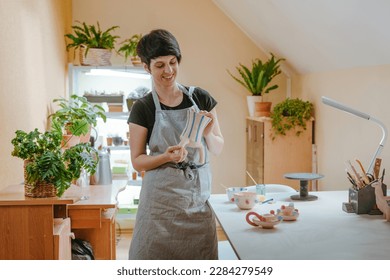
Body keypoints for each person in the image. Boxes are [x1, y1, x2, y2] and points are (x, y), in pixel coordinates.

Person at [127, 29, 224, 260]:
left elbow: (218, 148)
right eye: (159, 65)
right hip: (159, 208)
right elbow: (137, 161)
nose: (168, 71)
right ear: (146, 67)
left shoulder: (200, 98)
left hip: (197, 204)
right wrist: (166, 157)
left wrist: (208, 133)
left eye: (172, 62)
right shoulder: (143, 108)